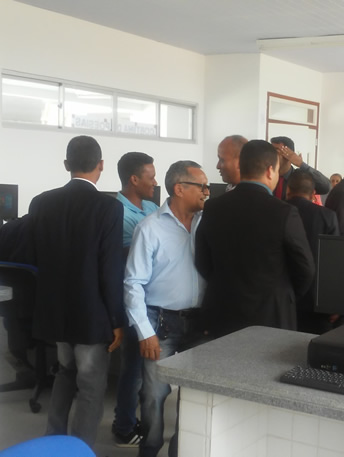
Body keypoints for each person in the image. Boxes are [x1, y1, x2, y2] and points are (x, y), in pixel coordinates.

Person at [28, 135, 124, 448]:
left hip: (55, 311)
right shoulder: (109, 207)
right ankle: (81, 450)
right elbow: (109, 270)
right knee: (91, 386)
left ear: (66, 164)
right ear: (101, 165)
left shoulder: (41, 202)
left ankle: (53, 442)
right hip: (91, 314)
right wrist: (117, 319)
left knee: (65, 373)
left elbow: (34, 256)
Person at [124, 161, 208, 457]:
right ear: (179, 188)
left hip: (200, 324)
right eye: (202, 186)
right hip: (161, 323)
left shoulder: (206, 224)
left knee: (195, 395)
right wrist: (145, 332)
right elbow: (133, 283)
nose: (207, 192)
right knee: (154, 395)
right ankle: (149, 450)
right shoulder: (150, 228)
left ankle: (180, 450)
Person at [195, 139, 315, 339]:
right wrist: (283, 294)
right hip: (271, 316)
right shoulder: (284, 212)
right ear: (270, 170)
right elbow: (305, 268)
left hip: (222, 312)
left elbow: (202, 260)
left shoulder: (213, 207)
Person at [111, 152, 159, 447]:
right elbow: (132, 258)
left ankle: (138, 420)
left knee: (146, 370)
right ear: (134, 179)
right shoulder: (117, 212)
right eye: (150, 177)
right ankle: (124, 425)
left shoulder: (151, 207)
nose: (155, 182)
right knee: (133, 369)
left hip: (155, 300)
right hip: (133, 298)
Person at [285, 170, 339, 334]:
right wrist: (335, 303)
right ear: (313, 193)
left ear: (288, 189)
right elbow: (334, 263)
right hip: (316, 302)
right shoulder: (327, 216)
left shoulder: (276, 211)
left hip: (282, 298)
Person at [270, 136, 330, 200]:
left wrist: (301, 164)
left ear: (289, 154)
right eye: (270, 150)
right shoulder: (267, 175)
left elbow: (325, 187)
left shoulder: (300, 178)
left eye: (276, 150)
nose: (271, 154)